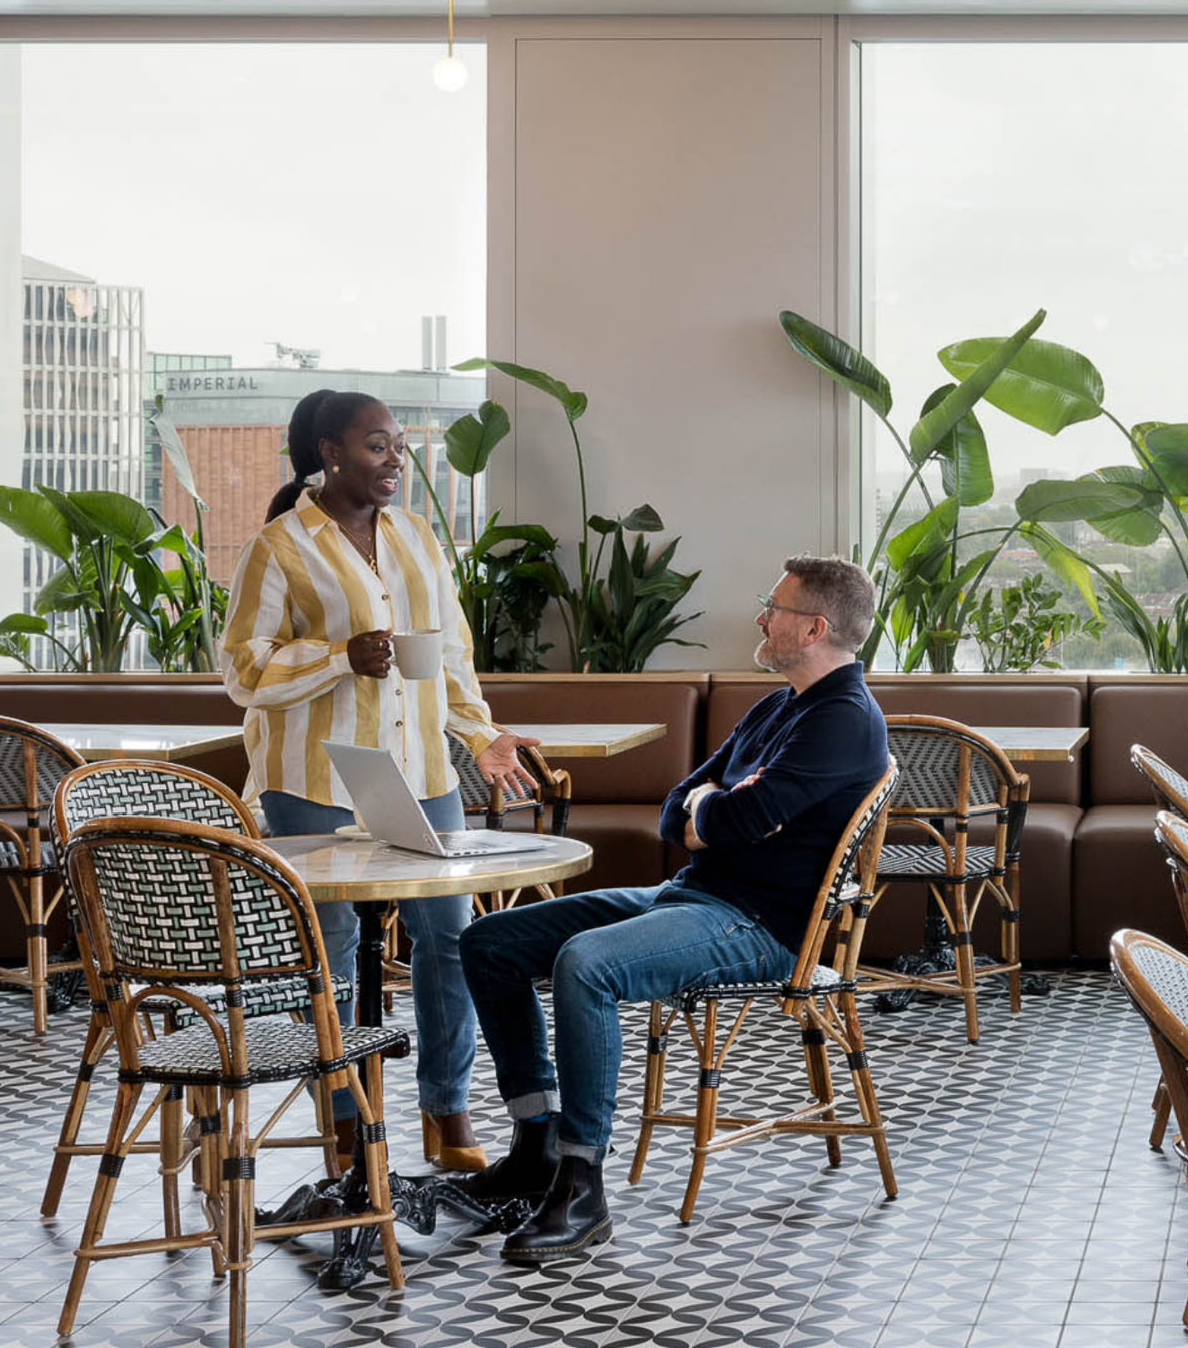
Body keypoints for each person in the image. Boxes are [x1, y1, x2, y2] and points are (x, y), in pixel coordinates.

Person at [452, 556, 890, 1263]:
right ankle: (534, 1144)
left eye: (771, 606)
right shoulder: (781, 704)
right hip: (692, 896)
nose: (759, 616)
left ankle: (581, 1183)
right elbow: (678, 803)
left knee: (586, 964)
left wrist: (717, 809)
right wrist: (713, 808)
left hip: (760, 926)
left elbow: (740, 815)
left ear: (813, 627)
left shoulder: (843, 720)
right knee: (488, 941)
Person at [221, 389, 540, 1175]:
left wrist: (481, 732)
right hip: (314, 778)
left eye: (398, 444)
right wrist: (339, 655)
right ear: (329, 451)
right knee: (325, 953)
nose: (395, 458)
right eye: (376, 444)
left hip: (422, 771)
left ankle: (447, 1107)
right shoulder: (279, 545)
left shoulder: (418, 536)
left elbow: (450, 652)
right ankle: (344, 1121)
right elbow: (240, 668)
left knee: (451, 937)